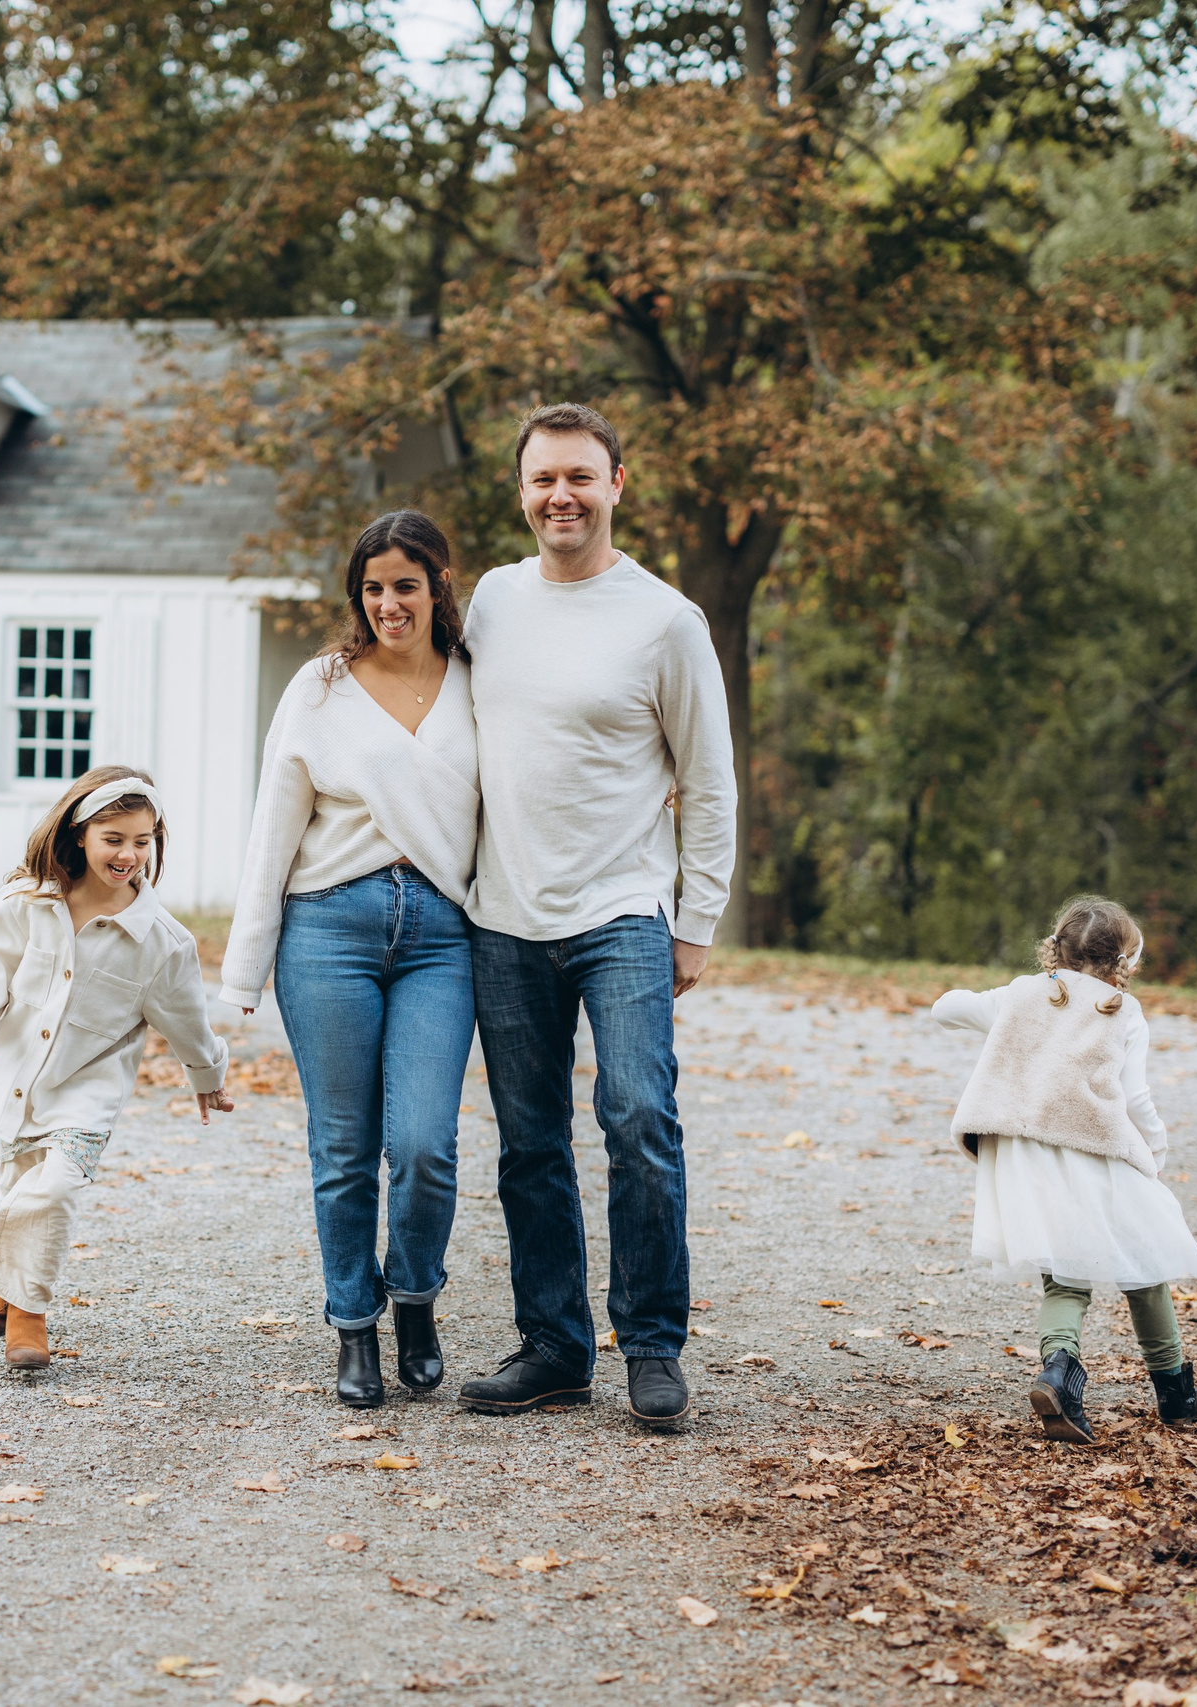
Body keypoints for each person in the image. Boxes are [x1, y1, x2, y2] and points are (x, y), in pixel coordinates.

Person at [453, 402, 736, 1431]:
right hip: (504, 914)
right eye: (542, 480)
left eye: (579, 476)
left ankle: (652, 1348)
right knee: (528, 1142)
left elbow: (709, 783)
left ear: (618, 483)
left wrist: (693, 922)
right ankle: (556, 1347)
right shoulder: (489, 602)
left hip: (621, 911)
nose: (559, 496)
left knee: (638, 1120)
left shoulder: (665, 620)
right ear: (520, 490)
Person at [222, 510, 482, 1408]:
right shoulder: (322, 686)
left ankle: (414, 1298)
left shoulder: (479, 684)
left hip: (442, 936)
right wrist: (241, 974)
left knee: (422, 1144)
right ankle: (354, 1327)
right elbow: (274, 827)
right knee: (343, 1147)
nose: (388, 604)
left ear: (439, 585)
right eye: (372, 589)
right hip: (328, 927)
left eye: (405, 584)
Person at [0, 766, 235, 1369]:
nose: (129, 853)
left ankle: (27, 1312)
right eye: (114, 838)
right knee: (19, 1188)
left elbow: (186, 1018)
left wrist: (207, 1076)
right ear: (80, 834)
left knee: (52, 1189)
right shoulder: (28, 900)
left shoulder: (160, 941)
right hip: (19, 1077)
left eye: (142, 840)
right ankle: (2, 1291)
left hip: (88, 1089)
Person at [932, 895, 1197, 1443]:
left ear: (1055, 949)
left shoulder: (1020, 996)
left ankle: (1059, 1374)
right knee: (1145, 1260)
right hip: (1096, 1149)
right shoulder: (1122, 1011)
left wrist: (999, 1008)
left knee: (1064, 1279)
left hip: (1027, 1155)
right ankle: (1175, 1391)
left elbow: (945, 1007)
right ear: (1121, 963)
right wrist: (1154, 1154)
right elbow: (1137, 1099)